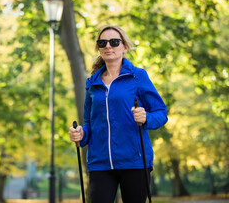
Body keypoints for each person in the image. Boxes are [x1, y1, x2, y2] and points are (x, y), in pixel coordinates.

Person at [69, 25, 168, 203]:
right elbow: (89, 123)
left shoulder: (137, 76)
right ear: (98, 48)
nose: (108, 46)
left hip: (134, 162)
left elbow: (161, 113)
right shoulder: (92, 83)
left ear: (124, 46)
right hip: (100, 163)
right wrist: (81, 134)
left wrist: (146, 118)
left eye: (114, 42)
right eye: (103, 42)